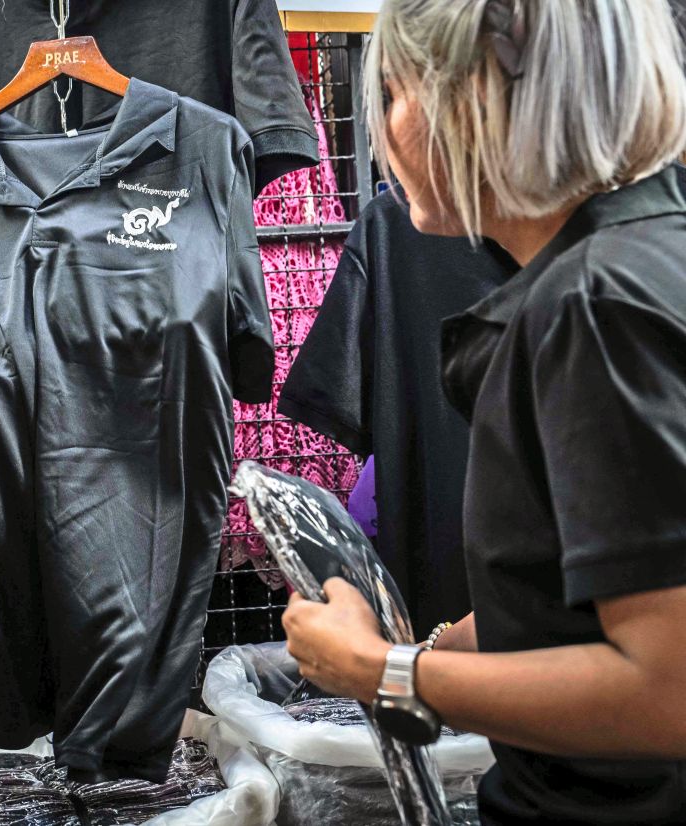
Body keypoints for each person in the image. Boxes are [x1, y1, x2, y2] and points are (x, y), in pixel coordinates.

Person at [281, 1, 686, 823]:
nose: (386, 131)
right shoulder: (637, 261)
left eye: (394, 94)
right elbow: (592, 591)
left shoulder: (590, 308)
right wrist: (428, 646)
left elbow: (666, 690)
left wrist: (384, 673)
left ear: (466, 99)